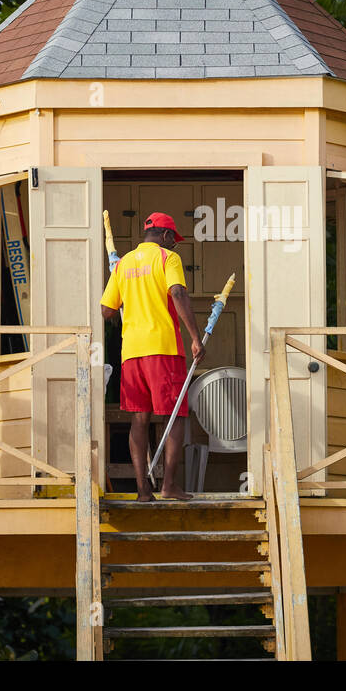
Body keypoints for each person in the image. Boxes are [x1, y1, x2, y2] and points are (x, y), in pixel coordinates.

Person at [100, 212, 205, 500]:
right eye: (174, 240)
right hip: (163, 348)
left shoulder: (122, 265)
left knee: (139, 419)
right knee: (176, 416)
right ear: (166, 236)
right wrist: (196, 337)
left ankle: (143, 490)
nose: (175, 245)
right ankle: (169, 486)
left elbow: (107, 310)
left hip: (131, 351)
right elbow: (178, 293)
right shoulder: (167, 259)